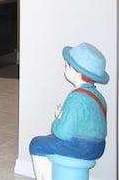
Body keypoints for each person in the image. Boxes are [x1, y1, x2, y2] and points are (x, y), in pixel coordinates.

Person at [29, 42, 109, 179]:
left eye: (67, 66)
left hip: (81, 146)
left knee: (37, 144)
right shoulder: (99, 97)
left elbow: (62, 133)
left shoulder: (76, 98)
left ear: (77, 71)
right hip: (98, 147)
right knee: (50, 141)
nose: (65, 69)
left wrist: (57, 120)